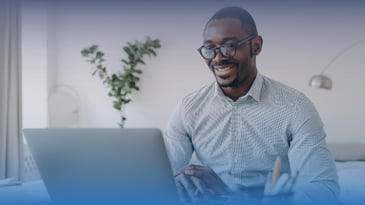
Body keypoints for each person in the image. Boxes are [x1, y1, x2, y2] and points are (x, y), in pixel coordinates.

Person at [163, 6, 339, 204]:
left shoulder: (296, 108)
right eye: (210, 49)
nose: (218, 57)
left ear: (256, 45)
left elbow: (324, 189)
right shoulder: (188, 109)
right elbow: (160, 176)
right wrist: (177, 182)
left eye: (230, 46)